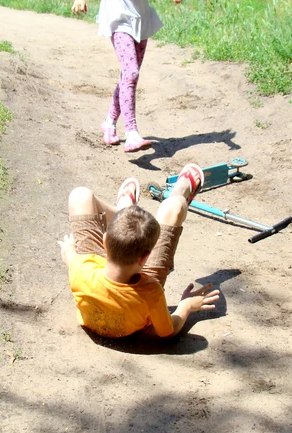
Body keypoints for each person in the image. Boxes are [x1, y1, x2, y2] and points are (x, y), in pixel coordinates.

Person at [58, 163, 220, 338]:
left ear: (105, 242)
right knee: (175, 207)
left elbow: (69, 255)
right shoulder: (151, 292)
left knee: (79, 196)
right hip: (138, 289)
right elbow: (168, 331)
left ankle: (122, 213)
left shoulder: (81, 268)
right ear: (145, 259)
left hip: (95, 275)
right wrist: (186, 306)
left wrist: (68, 247)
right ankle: (180, 192)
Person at [71, 0, 173, 152]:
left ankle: (109, 122)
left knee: (128, 75)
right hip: (118, 15)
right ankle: (131, 134)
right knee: (131, 73)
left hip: (140, 17)